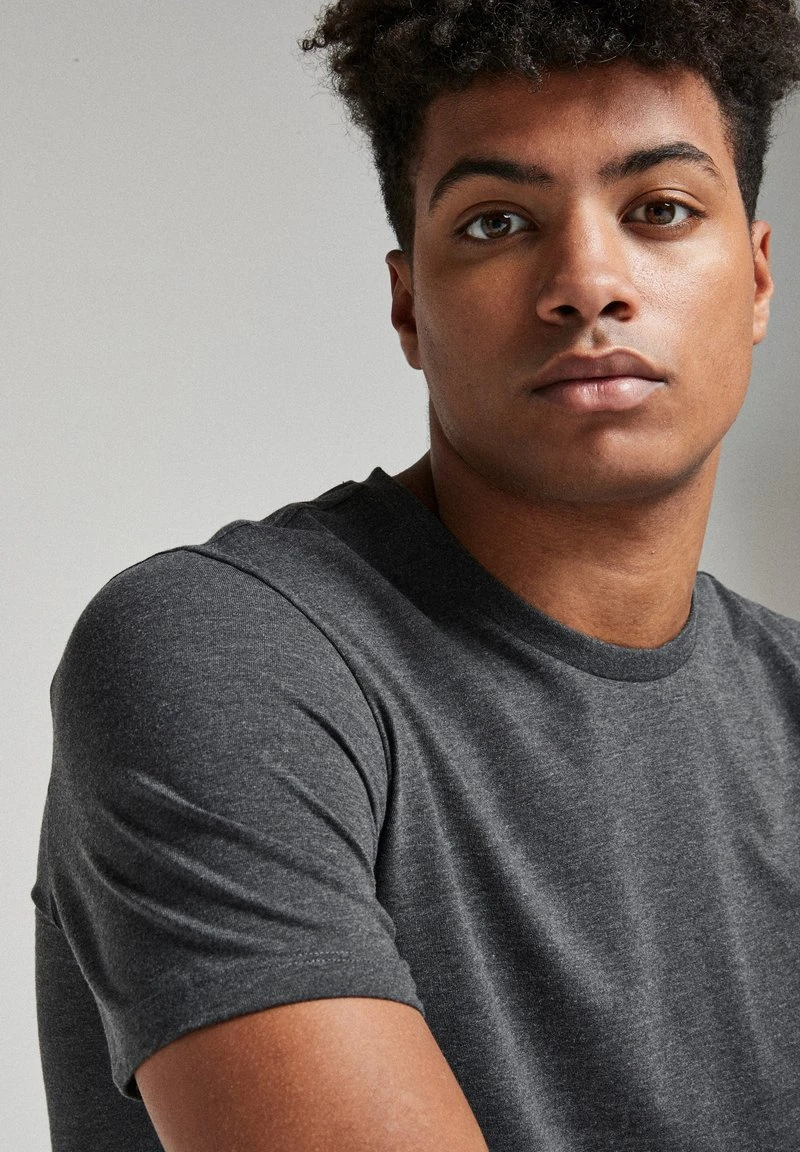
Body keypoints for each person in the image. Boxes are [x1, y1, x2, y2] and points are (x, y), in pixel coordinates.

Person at [33, 1, 800, 1149]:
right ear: (406, 306)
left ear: (755, 281)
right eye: (496, 222)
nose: (587, 282)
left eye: (659, 209)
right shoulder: (229, 657)